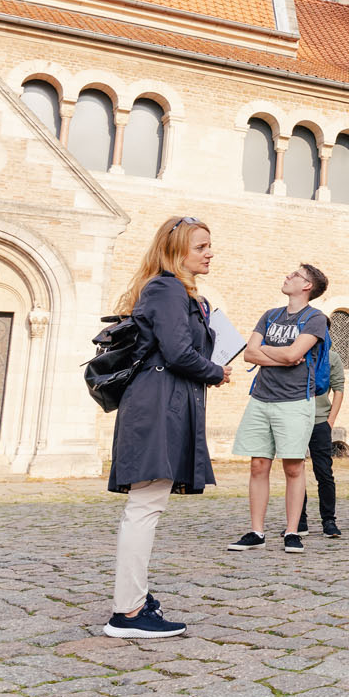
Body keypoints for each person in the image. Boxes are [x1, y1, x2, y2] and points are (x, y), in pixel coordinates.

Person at [104, 216, 230, 638]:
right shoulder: (166, 288)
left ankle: (133, 600)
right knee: (144, 507)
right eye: (201, 247)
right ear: (176, 252)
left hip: (164, 403)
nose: (210, 252)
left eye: (209, 246)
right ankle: (127, 611)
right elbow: (178, 352)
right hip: (157, 406)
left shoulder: (174, 291)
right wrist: (215, 370)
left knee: (147, 506)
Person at [229, 264, 329, 554]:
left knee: (293, 467)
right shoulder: (270, 315)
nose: (288, 276)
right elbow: (248, 353)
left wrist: (272, 353)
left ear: (307, 286)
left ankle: (292, 531)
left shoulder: (315, 318)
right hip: (261, 398)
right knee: (258, 465)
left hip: (295, 401)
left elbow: (293, 354)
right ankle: (256, 531)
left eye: (296, 275)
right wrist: (282, 357)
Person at [297, 350, 345, 537]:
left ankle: (329, 521)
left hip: (320, 422)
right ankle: (299, 521)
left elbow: (338, 389)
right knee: (295, 472)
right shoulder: (297, 353)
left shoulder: (332, 357)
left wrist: (330, 421)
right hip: (297, 420)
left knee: (324, 472)